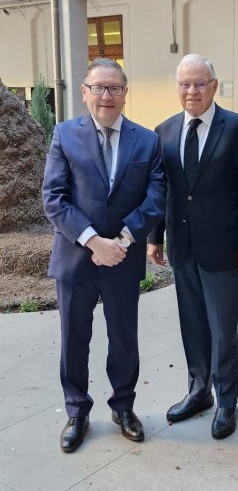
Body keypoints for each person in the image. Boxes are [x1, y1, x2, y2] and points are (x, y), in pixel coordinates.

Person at [42, 58, 166, 453]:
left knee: (124, 338)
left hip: (123, 260)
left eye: (114, 88)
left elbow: (156, 195)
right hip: (76, 260)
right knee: (73, 340)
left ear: (125, 93)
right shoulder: (64, 135)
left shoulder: (147, 140)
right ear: (85, 92)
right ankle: (76, 411)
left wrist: (124, 240)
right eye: (98, 87)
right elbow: (54, 199)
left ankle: (124, 407)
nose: (106, 95)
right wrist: (94, 241)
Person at [148, 54, 238, 439]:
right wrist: (154, 237)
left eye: (200, 83)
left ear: (214, 86)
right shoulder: (163, 131)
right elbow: (162, 190)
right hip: (183, 247)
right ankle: (199, 392)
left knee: (221, 328)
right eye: (184, 83)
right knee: (193, 324)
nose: (191, 91)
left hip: (225, 249)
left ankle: (227, 401)